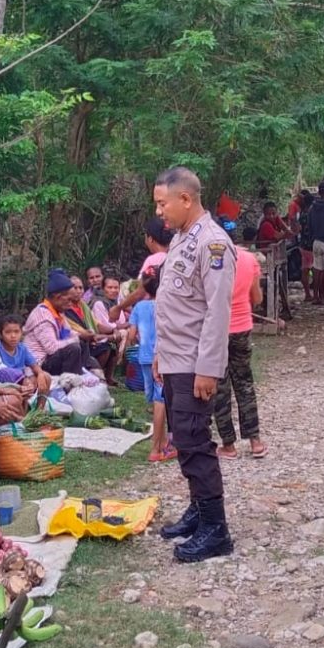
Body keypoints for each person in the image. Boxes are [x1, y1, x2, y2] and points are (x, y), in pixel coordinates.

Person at [151, 166, 236, 562]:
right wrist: (159, 355)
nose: (159, 212)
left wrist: (208, 369)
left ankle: (216, 529)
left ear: (185, 199)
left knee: (195, 442)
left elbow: (218, 312)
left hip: (193, 364)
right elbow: (175, 304)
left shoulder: (213, 244)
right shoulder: (182, 238)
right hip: (174, 359)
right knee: (183, 440)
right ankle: (199, 511)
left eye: (162, 203)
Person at [213, 245, 266, 459]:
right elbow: (258, 298)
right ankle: (255, 442)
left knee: (220, 387)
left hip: (216, 331)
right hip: (242, 327)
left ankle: (228, 445)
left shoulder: (210, 259)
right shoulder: (248, 258)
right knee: (244, 384)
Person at [127, 275, 176, 463]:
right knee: (160, 401)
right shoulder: (167, 306)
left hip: (144, 357)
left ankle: (163, 441)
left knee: (154, 399)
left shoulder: (139, 307)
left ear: (146, 290)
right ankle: (156, 449)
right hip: (163, 356)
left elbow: (131, 335)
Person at [25, 269, 99, 377]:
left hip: (52, 358)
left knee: (82, 343)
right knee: (73, 349)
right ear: (58, 297)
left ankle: (80, 376)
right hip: (39, 365)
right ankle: (70, 384)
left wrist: (83, 335)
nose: (70, 305)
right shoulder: (43, 316)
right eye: (69, 300)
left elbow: (68, 332)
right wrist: (78, 338)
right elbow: (52, 348)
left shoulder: (58, 312)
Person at [62, 275, 111, 372]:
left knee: (109, 347)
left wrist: (113, 330)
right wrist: (89, 335)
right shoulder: (64, 307)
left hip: (89, 338)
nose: (78, 291)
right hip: (76, 342)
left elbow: (96, 324)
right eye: (75, 288)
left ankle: (105, 376)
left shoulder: (83, 305)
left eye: (80, 288)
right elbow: (71, 329)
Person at [91, 275, 131, 385]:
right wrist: (126, 325)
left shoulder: (116, 303)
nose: (113, 290)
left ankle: (110, 377)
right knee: (107, 346)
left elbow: (119, 322)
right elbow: (104, 327)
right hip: (97, 337)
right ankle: (97, 377)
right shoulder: (99, 303)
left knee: (121, 339)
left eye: (116, 287)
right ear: (103, 289)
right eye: (110, 287)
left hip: (112, 335)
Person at [0, 315, 51, 393]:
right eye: (8, 332)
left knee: (46, 377)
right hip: (5, 384)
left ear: (21, 333)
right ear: (0, 334)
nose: (13, 336)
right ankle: (23, 404)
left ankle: (39, 405)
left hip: (23, 381)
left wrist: (40, 374)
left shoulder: (22, 348)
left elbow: (34, 366)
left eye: (16, 332)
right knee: (25, 384)